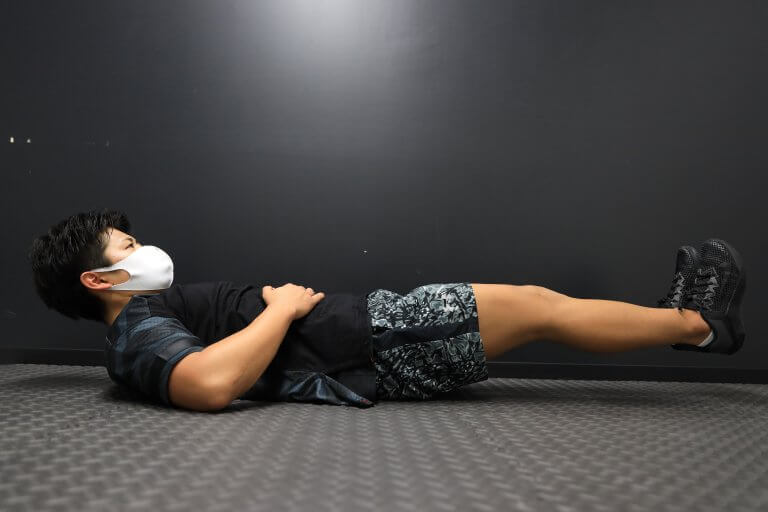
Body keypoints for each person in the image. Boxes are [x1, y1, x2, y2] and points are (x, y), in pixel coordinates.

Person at [27, 208, 746, 413]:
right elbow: (207, 384)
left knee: (539, 306)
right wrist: (280, 309)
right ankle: (697, 324)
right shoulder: (136, 333)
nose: (145, 249)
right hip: (372, 340)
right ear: (98, 278)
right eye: (128, 246)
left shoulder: (142, 323)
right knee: (538, 308)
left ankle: (680, 321)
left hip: (369, 333)